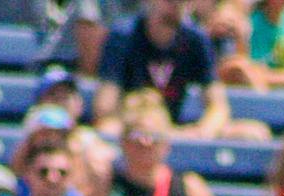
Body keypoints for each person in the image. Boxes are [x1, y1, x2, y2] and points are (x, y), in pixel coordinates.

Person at [95, 0, 231, 137]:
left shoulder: (196, 40)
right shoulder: (124, 36)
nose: (176, 4)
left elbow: (218, 107)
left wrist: (203, 131)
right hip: (130, 126)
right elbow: (106, 108)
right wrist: (135, 129)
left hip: (172, 130)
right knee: (107, 128)